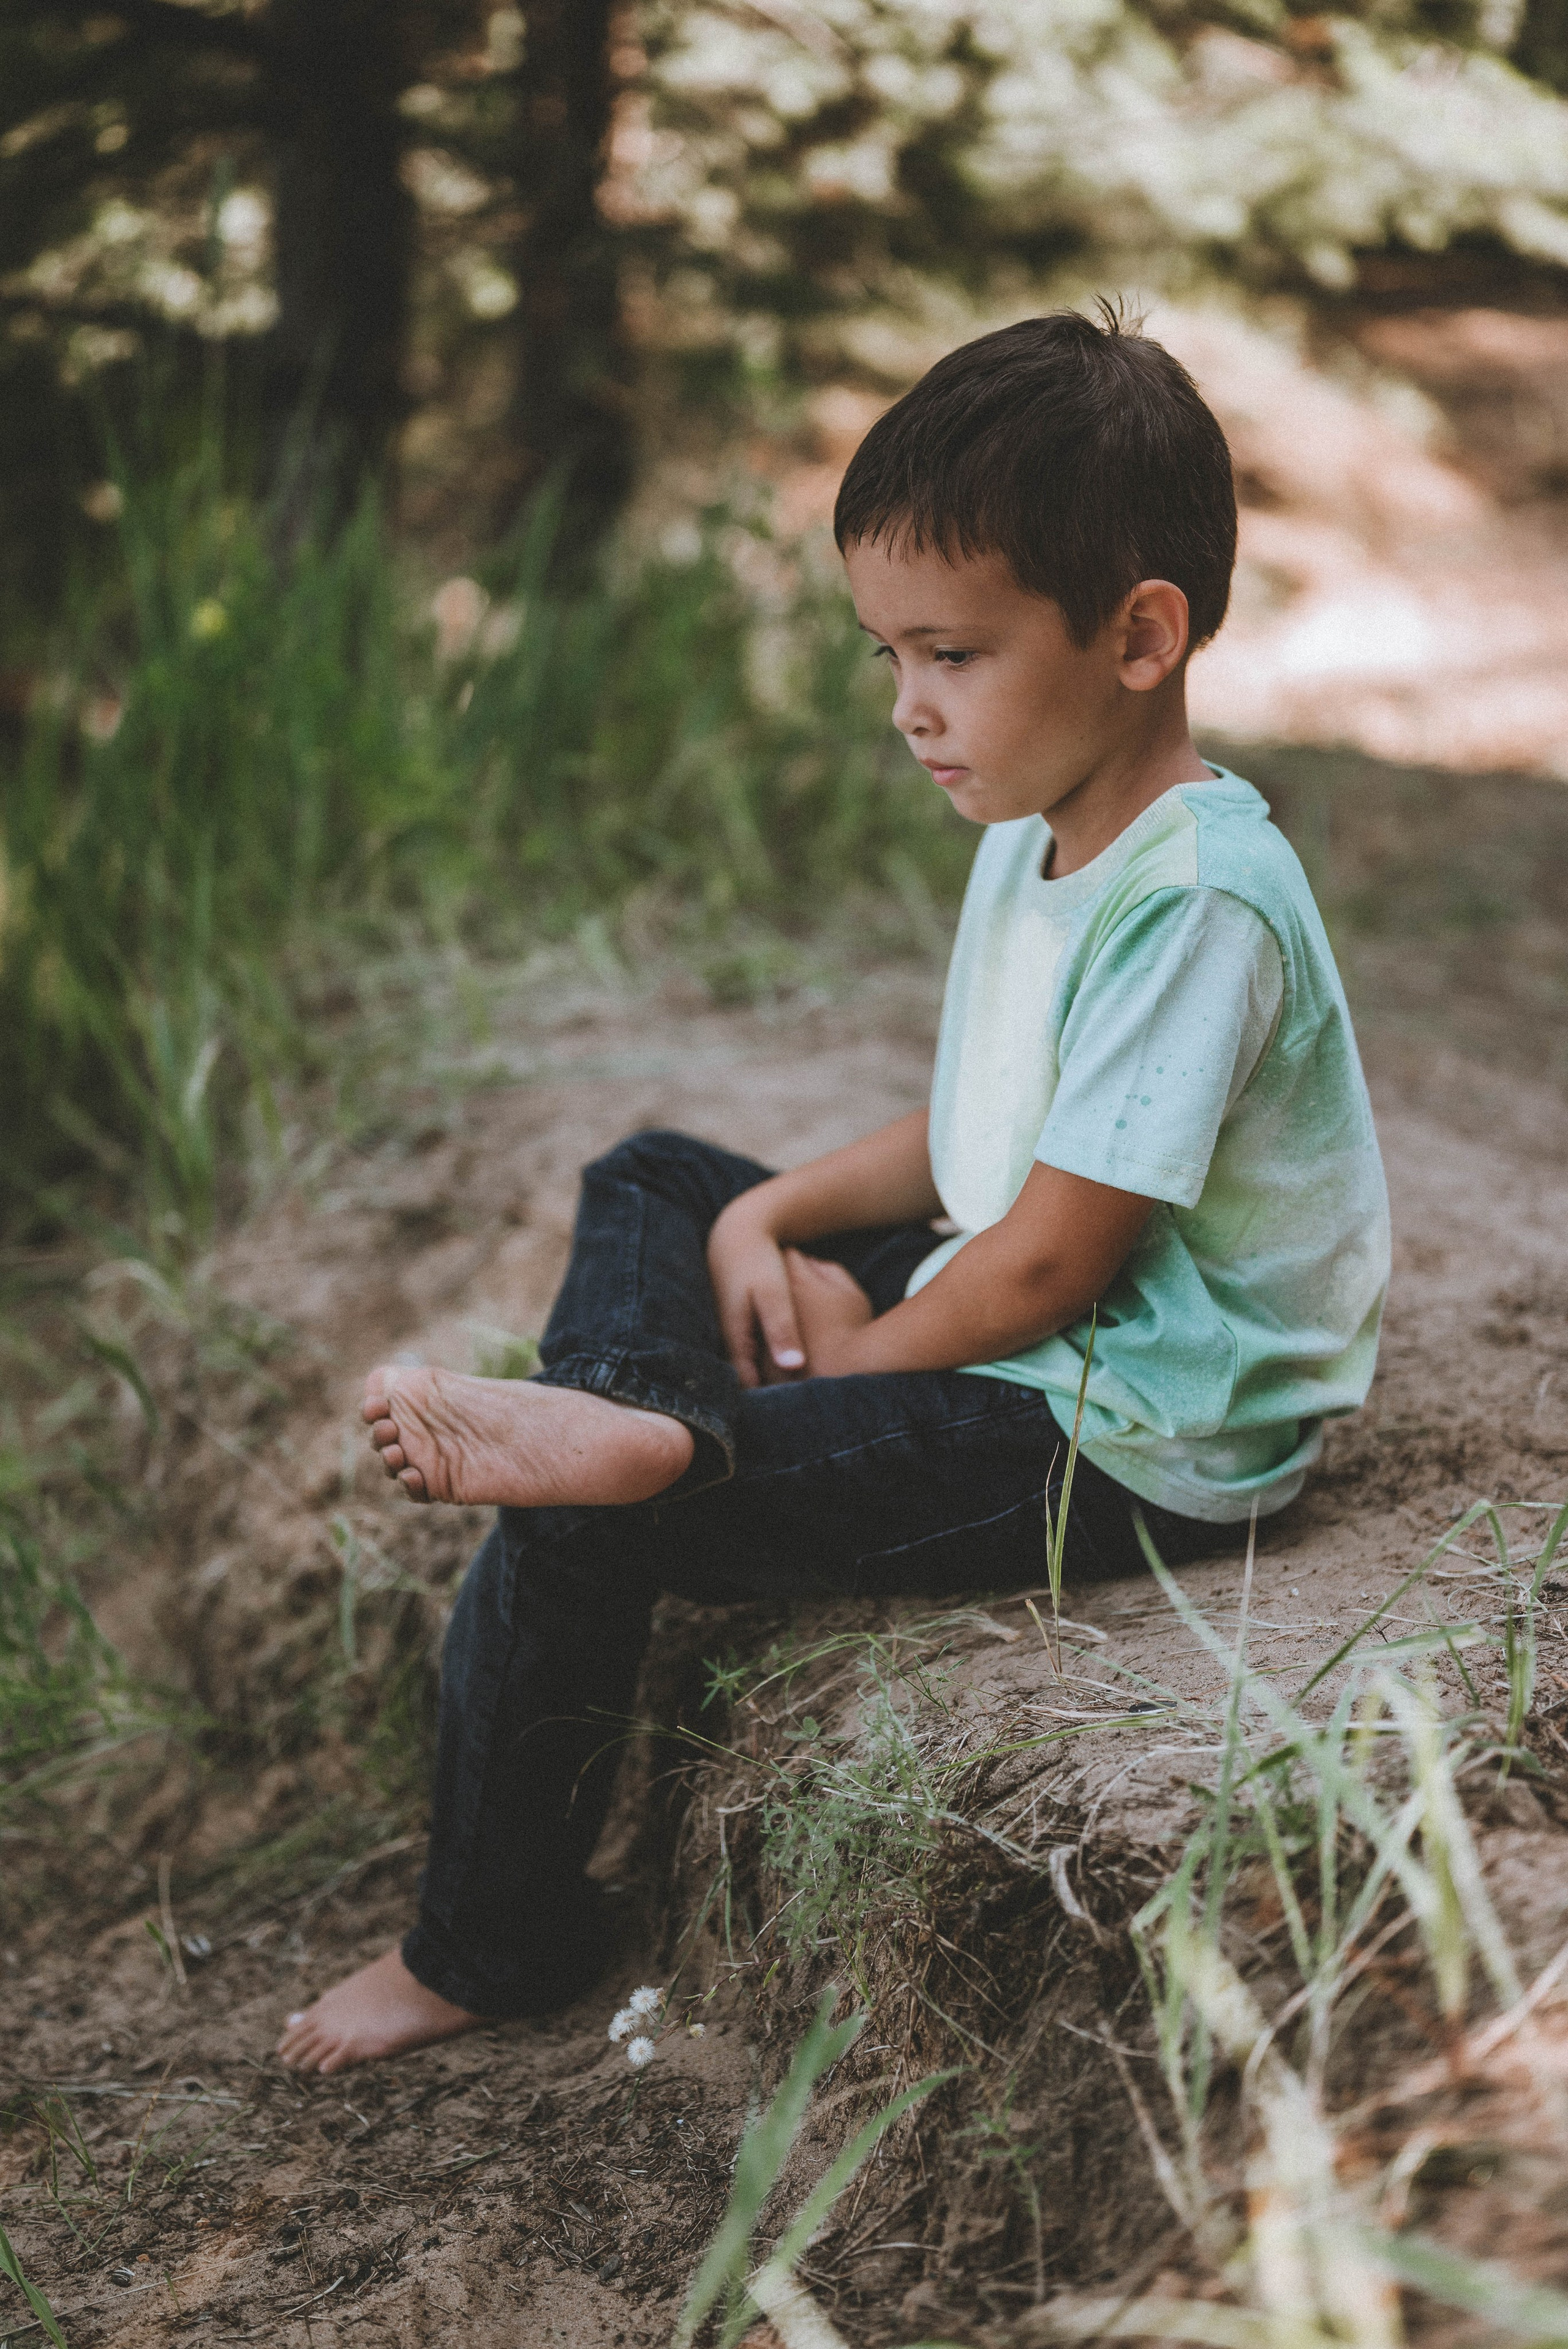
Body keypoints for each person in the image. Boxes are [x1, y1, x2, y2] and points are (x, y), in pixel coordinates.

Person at [276, 307, 1389, 2076]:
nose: (907, 707)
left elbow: (1043, 1260)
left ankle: (488, 1938)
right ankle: (638, 1410)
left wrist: (846, 1365)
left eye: (946, 652)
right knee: (656, 1173)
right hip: (1038, 1311)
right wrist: (765, 1220)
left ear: (1140, 634)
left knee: (585, 1514)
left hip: (1129, 1425)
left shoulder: (1200, 900)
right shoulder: (1040, 829)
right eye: (886, 654)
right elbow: (981, 1125)